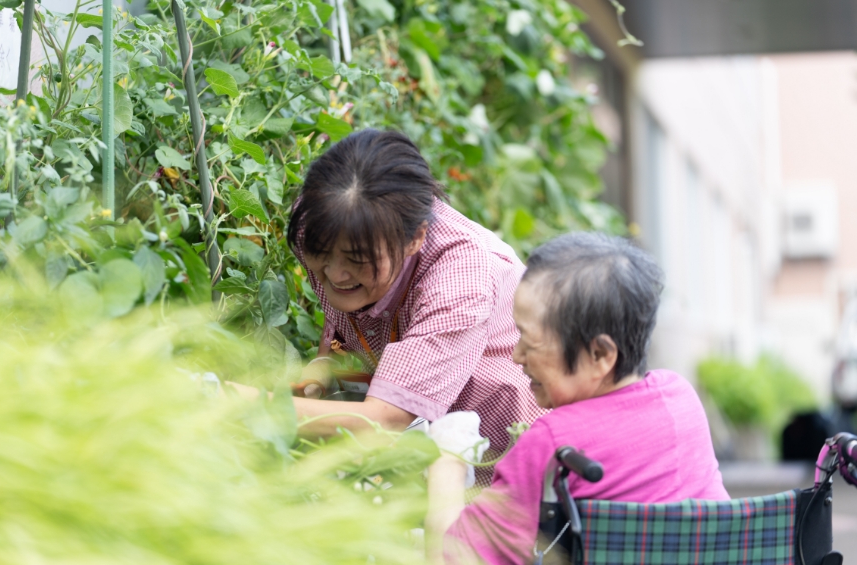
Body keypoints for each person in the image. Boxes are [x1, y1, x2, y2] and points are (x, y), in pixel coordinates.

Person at [230, 128, 545, 487]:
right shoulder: (319, 220)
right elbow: (341, 310)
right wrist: (323, 367)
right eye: (322, 254)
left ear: (415, 239)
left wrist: (233, 400)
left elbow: (385, 420)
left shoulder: (461, 275)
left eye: (357, 259)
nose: (334, 273)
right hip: (422, 442)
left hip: (505, 446)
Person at [424, 232, 730, 565]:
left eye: (530, 340)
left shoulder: (554, 446)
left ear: (600, 354)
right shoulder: (681, 397)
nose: (516, 355)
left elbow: (449, 558)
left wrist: (449, 457)